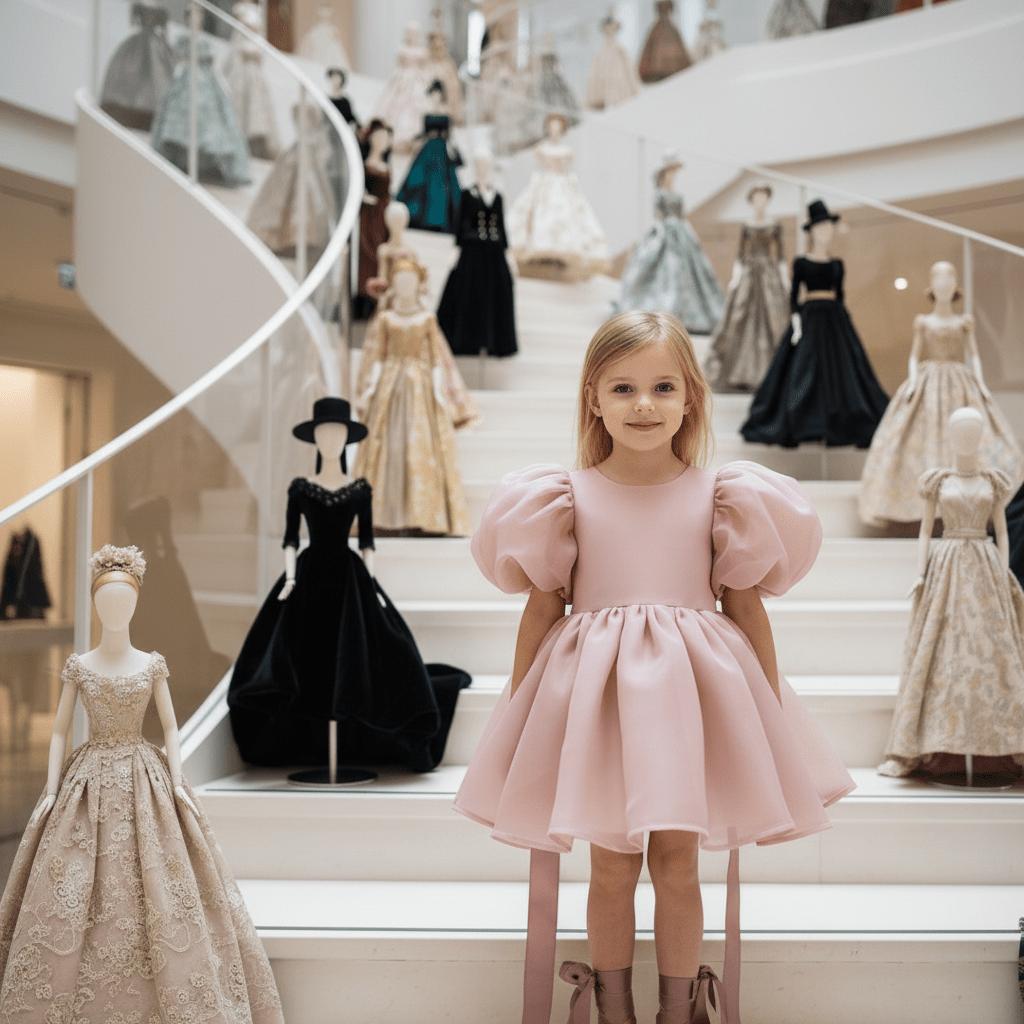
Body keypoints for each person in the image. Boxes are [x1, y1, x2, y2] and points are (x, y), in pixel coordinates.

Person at [455, 310, 855, 1023]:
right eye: (624, 388)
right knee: (610, 863)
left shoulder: (722, 496)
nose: (644, 405)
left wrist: (769, 715)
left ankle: (679, 1011)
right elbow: (544, 611)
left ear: (691, 398)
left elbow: (746, 608)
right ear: (593, 397)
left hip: (686, 705)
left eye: (663, 387)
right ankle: (615, 1011)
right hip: (599, 704)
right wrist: (519, 713)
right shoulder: (563, 498)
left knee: (677, 863)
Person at [0, 545, 284, 1020]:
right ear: (95, 606)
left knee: (164, 887)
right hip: (86, 783)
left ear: (135, 604)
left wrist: (176, 784)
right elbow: (58, 731)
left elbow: (171, 727)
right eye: (107, 602)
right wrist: (50, 791)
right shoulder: (79, 665)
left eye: (125, 601)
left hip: (145, 778)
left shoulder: (152, 664)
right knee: (72, 887)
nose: (116, 610)